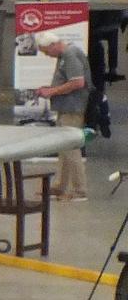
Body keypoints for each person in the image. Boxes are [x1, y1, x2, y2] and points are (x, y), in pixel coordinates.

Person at [35, 34, 91, 202]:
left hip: (72, 108)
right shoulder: (64, 56)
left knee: (71, 149)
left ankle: (80, 190)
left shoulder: (71, 54)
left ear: (53, 45)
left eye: (46, 52)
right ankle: (60, 185)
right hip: (66, 108)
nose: (47, 55)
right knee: (64, 148)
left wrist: (51, 92)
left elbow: (78, 82)